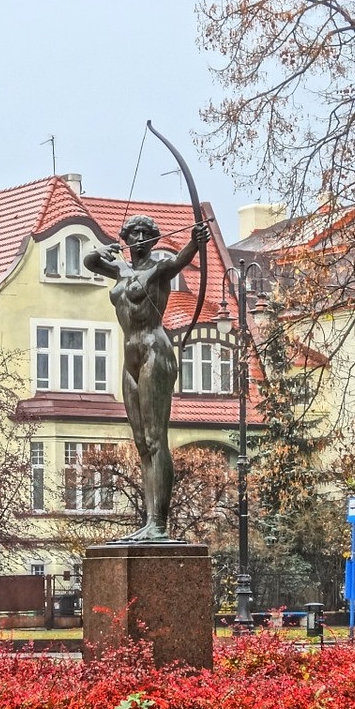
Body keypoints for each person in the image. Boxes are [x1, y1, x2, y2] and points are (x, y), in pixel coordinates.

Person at [84, 215, 209, 541]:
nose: (138, 237)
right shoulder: (120, 269)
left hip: (155, 351)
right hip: (131, 358)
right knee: (141, 444)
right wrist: (104, 249)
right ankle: (149, 522)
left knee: (156, 439)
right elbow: (89, 261)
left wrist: (196, 239)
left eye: (145, 234)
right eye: (133, 233)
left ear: (153, 240)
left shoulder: (160, 267)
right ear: (125, 237)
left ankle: (159, 523)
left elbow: (183, 258)